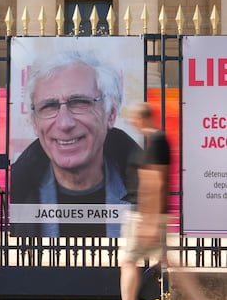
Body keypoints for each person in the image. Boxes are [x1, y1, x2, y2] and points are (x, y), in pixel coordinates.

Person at [97, 102, 218, 300]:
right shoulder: (155, 142)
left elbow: (155, 182)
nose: (132, 122)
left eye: (134, 118)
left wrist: (149, 221)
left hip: (144, 215)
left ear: (142, 118)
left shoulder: (157, 142)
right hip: (148, 214)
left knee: (128, 262)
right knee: (166, 262)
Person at [11, 51, 140, 237]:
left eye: (79, 103)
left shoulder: (151, 191)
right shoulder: (8, 198)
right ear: (34, 123)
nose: (65, 123)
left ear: (110, 114)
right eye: (49, 106)